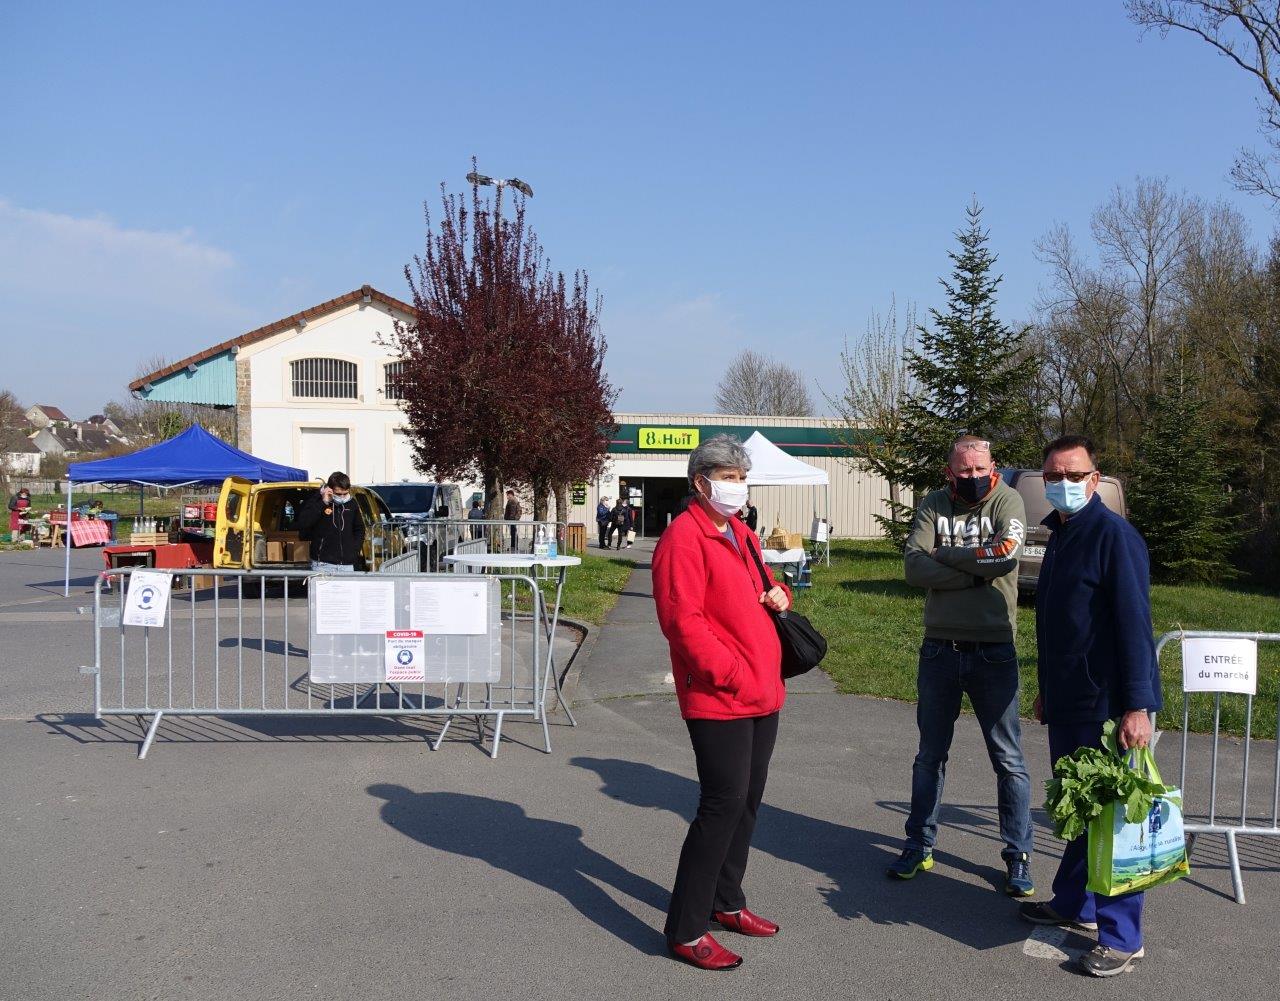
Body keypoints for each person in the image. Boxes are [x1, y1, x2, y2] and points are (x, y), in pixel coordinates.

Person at [1019, 434, 1162, 978]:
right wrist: (1047, 690)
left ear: (1095, 480)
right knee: (1078, 810)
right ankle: (1072, 902)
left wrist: (1137, 707)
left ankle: (1122, 936)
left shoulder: (1113, 536)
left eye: (1075, 475)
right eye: (1054, 475)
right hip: (1071, 699)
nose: (1064, 484)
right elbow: (1061, 626)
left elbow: (1133, 626)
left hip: (1110, 707)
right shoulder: (1060, 534)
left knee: (1112, 820)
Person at [651, 434, 792, 970]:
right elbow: (681, 622)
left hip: (763, 690)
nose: (736, 486)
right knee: (721, 805)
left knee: (747, 803)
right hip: (721, 695)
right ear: (700, 482)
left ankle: (726, 901)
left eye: (740, 477)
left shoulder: (741, 533)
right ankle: (686, 929)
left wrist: (782, 594)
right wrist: (729, 672)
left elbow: (768, 586)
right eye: (726, 477)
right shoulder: (683, 539)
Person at [892, 434, 1034, 896]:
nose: (972, 478)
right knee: (929, 756)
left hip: (994, 650)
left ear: (992, 466)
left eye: (979, 469)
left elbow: (1005, 555)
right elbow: (913, 570)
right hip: (940, 649)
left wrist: (946, 556)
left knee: (1008, 759)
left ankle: (1018, 856)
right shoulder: (934, 504)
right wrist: (976, 570)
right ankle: (919, 844)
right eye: (963, 470)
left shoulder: (1007, 499)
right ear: (948, 471)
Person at [298, 471, 364, 572]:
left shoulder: (352, 503)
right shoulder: (317, 501)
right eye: (338, 494)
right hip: (323, 564)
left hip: (347, 564)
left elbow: (359, 528)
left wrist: (354, 550)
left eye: (345, 493)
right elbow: (304, 522)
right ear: (329, 489)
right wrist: (323, 502)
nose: (342, 497)